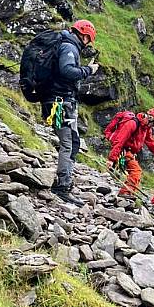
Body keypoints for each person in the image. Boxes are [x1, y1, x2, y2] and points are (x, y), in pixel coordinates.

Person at [41, 20, 99, 206]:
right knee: (69, 143)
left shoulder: (63, 44)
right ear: (83, 34)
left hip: (56, 100)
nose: (88, 43)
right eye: (88, 39)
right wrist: (88, 70)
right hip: (60, 103)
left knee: (72, 142)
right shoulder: (69, 47)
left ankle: (64, 182)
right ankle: (62, 186)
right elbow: (67, 71)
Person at [104, 108, 154, 198]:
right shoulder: (132, 124)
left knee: (134, 172)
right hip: (123, 150)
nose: (153, 126)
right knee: (136, 171)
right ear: (150, 118)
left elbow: (150, 140)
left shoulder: (146, 127)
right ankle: (125, 193)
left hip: (130, 151)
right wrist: (111, 159)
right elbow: (119, 141)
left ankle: (128, 194)